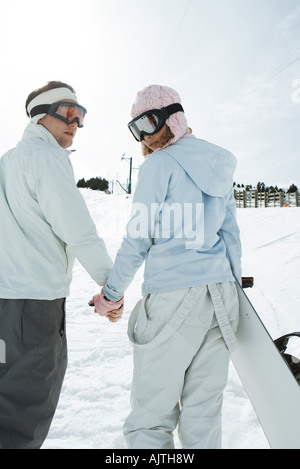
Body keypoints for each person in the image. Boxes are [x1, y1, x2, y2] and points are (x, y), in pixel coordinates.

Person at [90, 84, 242, 449]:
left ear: (173, 117)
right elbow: (231, 234)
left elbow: (138, 236)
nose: (146, 136)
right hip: (220, 299)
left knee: (150, 418)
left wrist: (111, 293)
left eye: (149, 122)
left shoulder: (160, 165)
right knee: (203, 416)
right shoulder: (218, 162)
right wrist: (233, 289)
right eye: (136, 129)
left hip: (173, 295)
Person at [0, 81, 122, 449]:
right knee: (24, 413)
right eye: (68, 113)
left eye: (80, 116)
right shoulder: (47, 158)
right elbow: (79, 231)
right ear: (41, 115)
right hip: (34, 308)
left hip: (6, 305)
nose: (76, 123)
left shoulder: (7, 161)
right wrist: (111, 289)